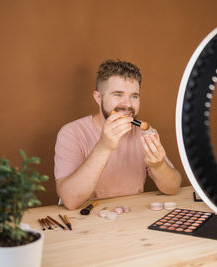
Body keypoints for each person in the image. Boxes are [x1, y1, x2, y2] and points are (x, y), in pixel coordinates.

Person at [54, 59, 181, 210]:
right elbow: (70, 200)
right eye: (118, 94)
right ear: (98, 97)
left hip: (130, 217)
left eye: (134, 96)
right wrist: (104, 146)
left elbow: (173, 188)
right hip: (87, 219)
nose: (127, 104)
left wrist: (158, 165)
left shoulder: (144, 131)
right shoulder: (71, 133)